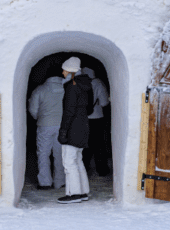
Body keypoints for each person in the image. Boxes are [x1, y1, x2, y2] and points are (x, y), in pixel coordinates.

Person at [57, 56, 93, 204]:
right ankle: (83, 191)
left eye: (64, 70)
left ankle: (74, 194)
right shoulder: (86, 85)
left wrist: (63, 131)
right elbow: (89, 109)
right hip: (83, 126)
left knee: (69, 161)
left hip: (72, 128)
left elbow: (68, 112)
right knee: (78, 160)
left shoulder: (72, 86)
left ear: (71, 71)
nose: (63, 73)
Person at [28, 76, 66, 190]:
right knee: (60, 154)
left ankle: (45, 183)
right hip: (62, 125)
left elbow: (33, 109)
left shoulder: (40, 89)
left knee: (43, 153)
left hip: (44, 125)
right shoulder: (65, 88)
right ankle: (60, 181)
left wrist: (39, 117)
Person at [80, 67, 111, 176]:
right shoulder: (98, 83)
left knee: (84, 144)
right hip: (97, 118)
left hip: (82, 119)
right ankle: (102, 169)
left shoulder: (79, 83)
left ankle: (84, 169)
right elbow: (104, 102)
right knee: (99, 144)